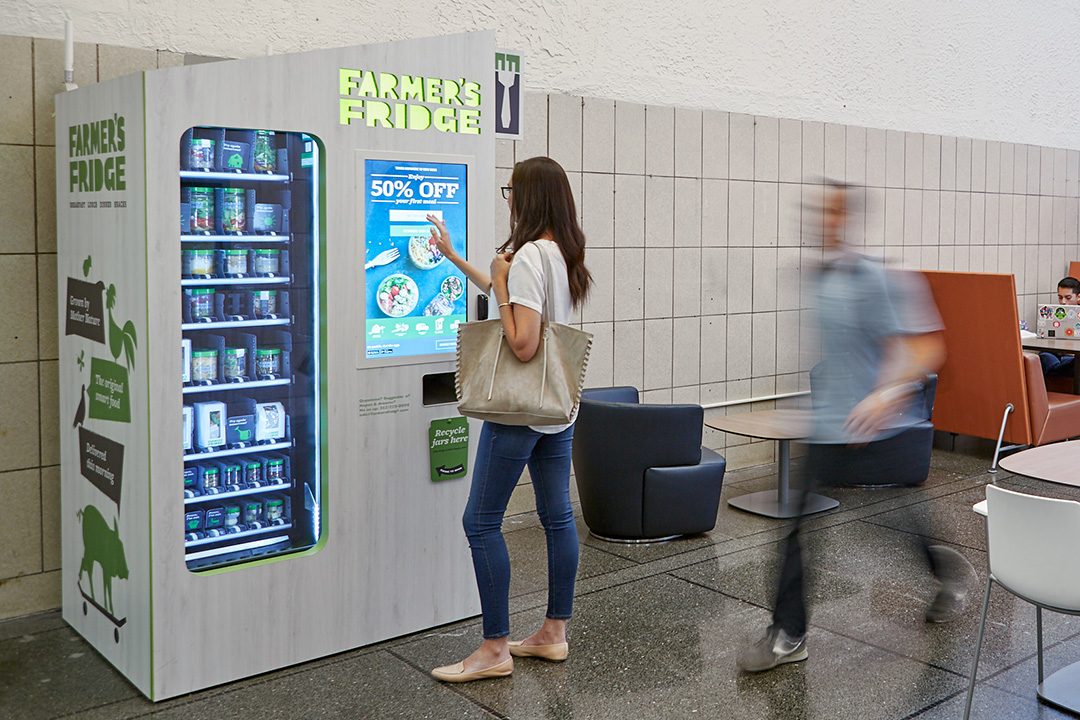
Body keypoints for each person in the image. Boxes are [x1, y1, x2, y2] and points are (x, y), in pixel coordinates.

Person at [738, 182, 973, 673]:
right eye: (816, 212)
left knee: (895, 523)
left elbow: (928, 348)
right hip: (828, 426)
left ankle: (946, 568)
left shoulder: (877, 278)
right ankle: (788, 633)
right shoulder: (819, 279)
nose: (820, 221)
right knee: (797, 532)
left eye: (830, 213)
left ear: (847, 219)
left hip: (875, 428)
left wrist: (885, 393)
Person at [428, 156, 593, 683]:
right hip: (556, 408)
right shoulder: (559, 253)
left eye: (510, 189)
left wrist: (499, 283)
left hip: (518, 412)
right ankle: (552, 633)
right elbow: (522, 303)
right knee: (558, 517)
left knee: (479, 521)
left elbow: (522, 341)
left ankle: (495, 646)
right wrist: (457, 258)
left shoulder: (525, 258)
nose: (508, 198)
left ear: (527, 197)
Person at [1039, 277, 1080, 376]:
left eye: (1068, 298)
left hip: (1074, 357)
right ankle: (1059, 368)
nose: (1063, 302)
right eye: (1060, 297)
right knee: (1043, 356)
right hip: (1057, 354)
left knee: (1075, 363)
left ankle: (1058, 368)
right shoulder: (1054, 313)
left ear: (1078, 297)